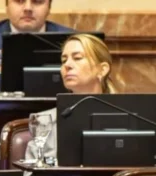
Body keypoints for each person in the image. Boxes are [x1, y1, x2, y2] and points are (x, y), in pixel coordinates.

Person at [23, 34, 115, 164]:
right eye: (64, 60)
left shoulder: (124, 116)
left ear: (102, 69)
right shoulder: (44, 121)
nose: (67, 65)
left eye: (77, 58)